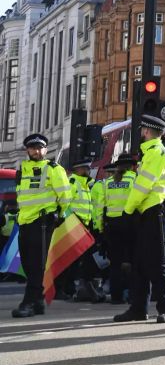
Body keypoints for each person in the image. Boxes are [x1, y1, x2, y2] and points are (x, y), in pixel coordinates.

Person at [113, 115, 165, 324]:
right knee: (140, 263)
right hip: (147, 212)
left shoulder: (156, 153)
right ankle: (138, 308)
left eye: (142, 131)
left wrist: (128, 209)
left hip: (154, 212)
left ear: (147, 132)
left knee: (159, 261)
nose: (141, 134)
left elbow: (142, 186)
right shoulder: (150, 153)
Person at [11, 134, 72, 318]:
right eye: (33, 148)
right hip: (24, 223)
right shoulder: (22, 172)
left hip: (42, 223)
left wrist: (58, 216)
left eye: (40, 148)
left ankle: (28, 303)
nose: (37, 151)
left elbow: (66, 197)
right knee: (28, 265)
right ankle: (38, 302)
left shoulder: (53, 169)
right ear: (27, 150)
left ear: (45, 150)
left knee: (37, 265)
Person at [69, 161, 105, 303]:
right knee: (73, 259)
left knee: (82, 259)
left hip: (85, 225)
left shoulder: (86, 183)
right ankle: (68, 287)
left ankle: (78, 287)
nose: (89, 170)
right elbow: (66, 202)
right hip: (75, 224)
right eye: (86, 168)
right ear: (78, 169)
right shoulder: (73, 182)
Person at [104, 156, 137, 304]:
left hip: (112, 225)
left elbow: (103, 205)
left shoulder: (109, 182)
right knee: (132, 260)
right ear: (131, 166)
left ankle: (116, 296)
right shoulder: (134, 179)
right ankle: (132, 295)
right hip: (129, 223)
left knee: (115, 263)